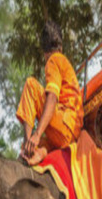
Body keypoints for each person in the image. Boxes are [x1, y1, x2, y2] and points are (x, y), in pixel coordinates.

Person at [16, 20, 84, 166]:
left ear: (44, 51)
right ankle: (38, 153)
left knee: (31, 85)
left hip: (65, 124)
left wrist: (36, 134)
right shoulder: (65, 62)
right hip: (71, 133)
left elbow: (52, 97)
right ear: (60, 45)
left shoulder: (54, 60)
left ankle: (28, 144)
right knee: (43, 144)